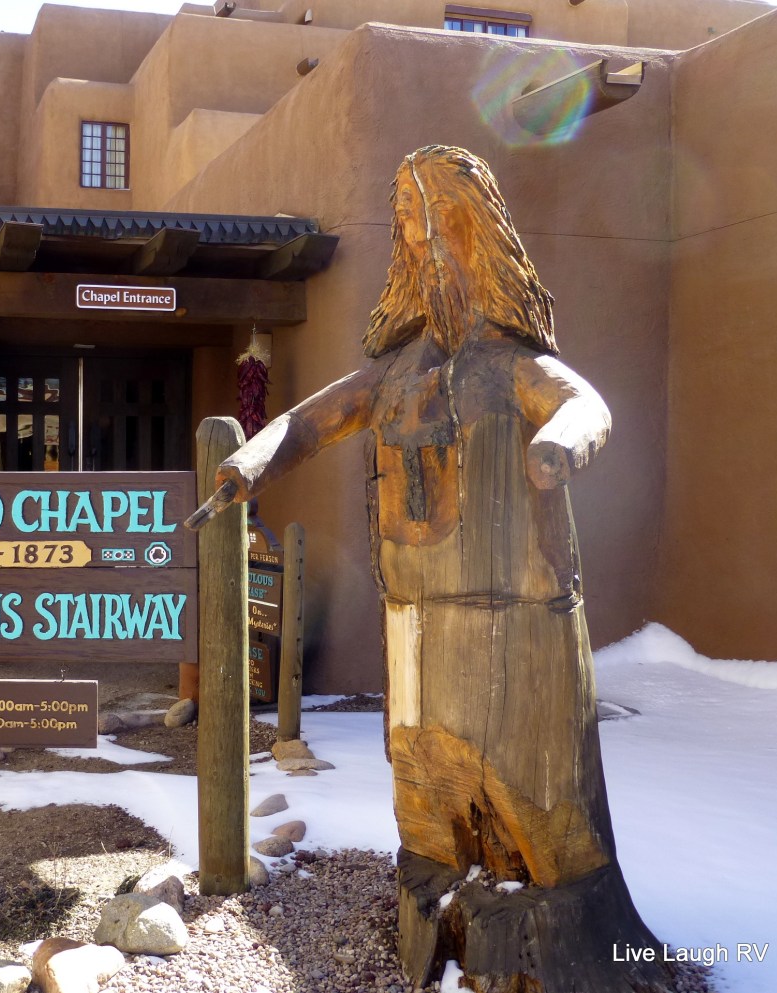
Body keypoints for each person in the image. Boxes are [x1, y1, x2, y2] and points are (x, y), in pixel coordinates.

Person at [191, 146, 670, 991]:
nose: (428, 247)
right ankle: (437, 905)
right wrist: (246, 468)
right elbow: (307, 421)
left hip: (519, 622)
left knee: (537, 801)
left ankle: (555, 928)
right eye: (411, 229)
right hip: (415, 619)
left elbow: (580, 402)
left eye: (441, 224)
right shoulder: (395, 373)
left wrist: (561, 444)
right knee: (424, 787)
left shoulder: (512, 366)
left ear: (480, 238)